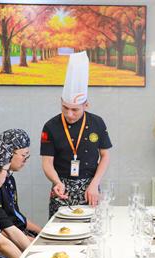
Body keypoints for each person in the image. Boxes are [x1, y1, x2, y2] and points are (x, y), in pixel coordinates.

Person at [40, 51, 112, 218]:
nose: (69, 114)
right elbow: (47, 162)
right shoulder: (50, 126)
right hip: (61, 188)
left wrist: (95, 183)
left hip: (90, 188)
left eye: (75, 110)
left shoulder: (97, 122)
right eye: (65, 108)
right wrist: (56, 182)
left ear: (86, 105)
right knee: (60, 229)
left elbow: (105, 156)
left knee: (92, 229)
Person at [0, 128, 42, 236]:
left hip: (15, 233)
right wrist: (32, 241)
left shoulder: (9, 179)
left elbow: (15, 215)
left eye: (27, 156)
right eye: (23, 155)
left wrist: (42, 231)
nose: (25, 160)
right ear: (8, 153)